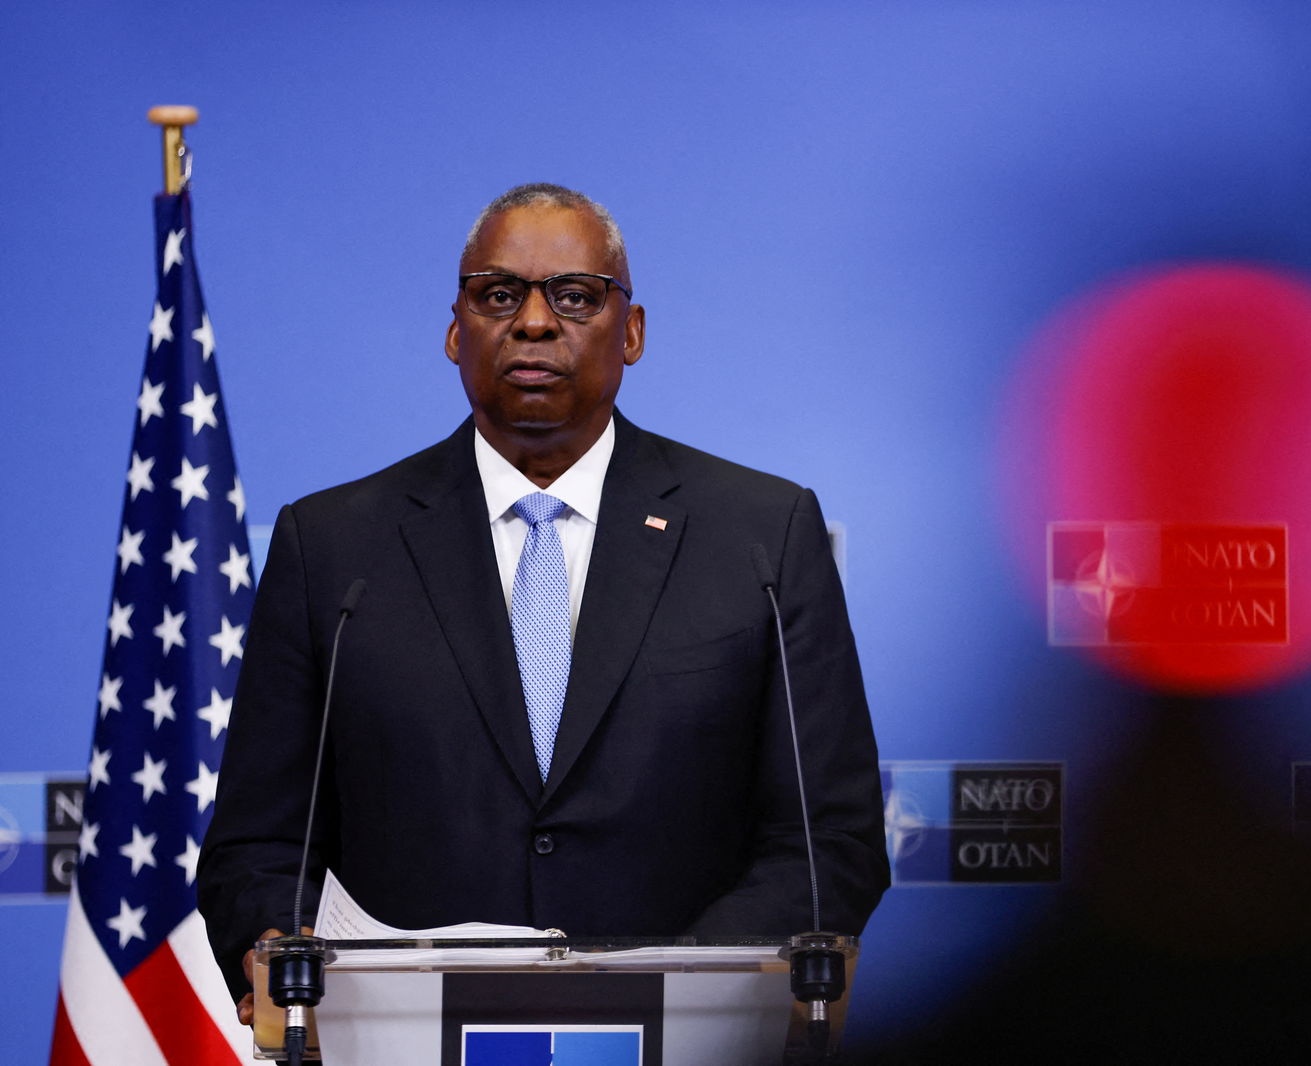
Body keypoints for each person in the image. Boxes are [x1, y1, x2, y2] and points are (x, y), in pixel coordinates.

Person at [197, 184, 889, 1019]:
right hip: (404, 1039)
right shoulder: (333, 546)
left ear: (630, 332)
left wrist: (664, 996)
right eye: (498, 295)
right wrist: (285, 952)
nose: (532, 322)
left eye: (574, 296)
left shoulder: (762, 533)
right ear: (455, 332)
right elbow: (260, 844)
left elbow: (828, 841)